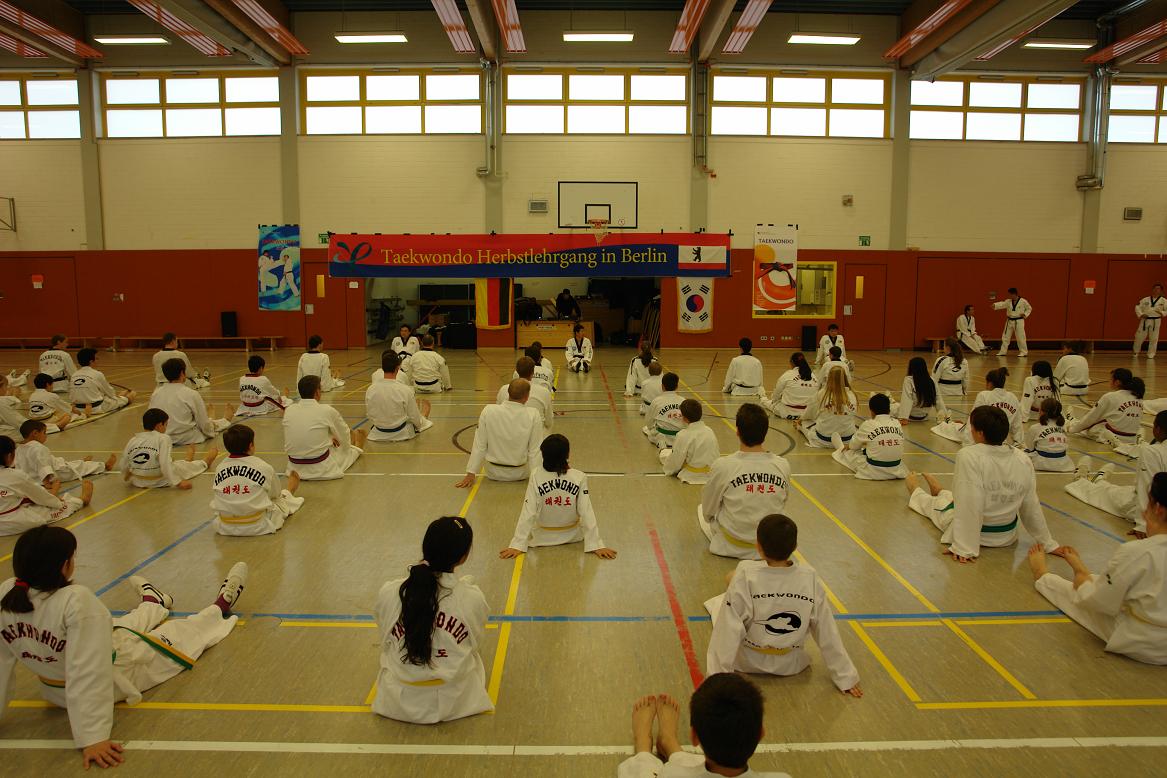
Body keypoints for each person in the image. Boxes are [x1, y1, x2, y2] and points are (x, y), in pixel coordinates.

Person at [0, 526, 247, 768]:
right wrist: (92, 737)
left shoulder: (7, 593)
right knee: (182, 633)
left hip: (54, 691)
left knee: (115, 627)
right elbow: (88, 671)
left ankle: (153, 602)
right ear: (65, 565)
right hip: (116, 679)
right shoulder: (75, 599)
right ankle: (220, 606)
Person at [705, 514, 862, 694]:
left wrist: (716, 683)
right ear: (794, 547)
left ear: (758, 547)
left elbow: (727, 632)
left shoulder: (746, 574)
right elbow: (826, 630)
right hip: (790, 664)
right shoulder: (809, 577)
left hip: (746, 662)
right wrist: (846, 677)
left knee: (726, 599)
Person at [1028, 471, 1167, 665]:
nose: (1144, 513)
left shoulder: (1137, 552)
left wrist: (1081, 580)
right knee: (1107, 582)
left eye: (1148, 505)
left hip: (1142, 642)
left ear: (1158, 509)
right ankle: (1084, 573)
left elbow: (1099, 603)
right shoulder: (1142, 553)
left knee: (1078, 594)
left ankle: (1043, 576)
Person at [373, 516, 492, 724]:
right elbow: (474, 643)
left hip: (397, 702)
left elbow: (385, 638)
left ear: (425, 547)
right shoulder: (472, 598)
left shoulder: (390, 592)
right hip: (458, 701)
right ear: (463, 557)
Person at [908, 406, 1064, 563]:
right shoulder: (1022, 458)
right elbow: (1031, 505)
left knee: (934, 506)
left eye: (972, 427)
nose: (970, 431)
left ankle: (915, 488)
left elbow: (970, 502)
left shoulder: (969, 455)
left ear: (980, 433)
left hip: (980, 535)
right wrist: (1048, 543)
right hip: (1006, 536)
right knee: (953, 497)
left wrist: (964, 547)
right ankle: (941, 491)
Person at [618, 675, 792, 778]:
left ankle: (644, 746)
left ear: (694, 737)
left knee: (644, 771)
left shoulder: (671, 773)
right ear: (761, 734)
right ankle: (670, 744)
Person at [499, 434, 615, 559]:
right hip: (573, 536)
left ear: (543, 455)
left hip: (541, 537)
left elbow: (528, 511)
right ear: (568, 455)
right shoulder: (579, 477)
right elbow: (586, 511)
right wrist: (596, 544)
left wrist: (517, 544)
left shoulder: (536, 475)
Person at [699, 404, 790, 559]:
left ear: (738, 431)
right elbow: (783, 501)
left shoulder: (723, 465)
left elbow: (708, 511)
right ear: (765, 432)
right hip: (771, 546)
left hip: (731, 546)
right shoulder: (782, 465)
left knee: (703, 509)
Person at [1066, 411, 1167, 538]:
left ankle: (1080, 479)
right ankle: (1099, 480)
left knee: (1104, 494)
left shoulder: (1152, 452)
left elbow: (1146, 485)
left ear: (1158, 429)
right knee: (1118, 491)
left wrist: (1143, 524)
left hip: (1156, 509)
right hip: (1158, 502)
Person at [211, 424, 303, 536]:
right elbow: (275, 494)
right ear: (251, 445)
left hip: (225, 526)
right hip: (258, 525)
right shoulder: (263, 467)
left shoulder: (220, 468)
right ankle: (289, 491)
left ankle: (287, 493)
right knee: (279, 501)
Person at [455, 379, 543, 486]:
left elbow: (479, 444)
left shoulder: (488, 411)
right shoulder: (533, 414)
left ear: (508, 393)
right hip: (521, 474)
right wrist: (537, 480)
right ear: (527, 396)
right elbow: (535, 450)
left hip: (492, 473)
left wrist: (471, 472)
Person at [0, 436, 90, 535]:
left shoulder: (13, 475)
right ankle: (81, 501)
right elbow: (39, 496)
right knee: (55, 508)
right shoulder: (15, 475)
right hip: (11, 523)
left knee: (16, 496)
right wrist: (57, 502)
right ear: (9, 456)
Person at [282, 375, 365, 481]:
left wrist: (329, 439)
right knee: (348, 450)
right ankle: (358, 447)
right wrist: (347, 449)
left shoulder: (289, 410)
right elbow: (344, 435)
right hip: (321, 468)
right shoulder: (326, 410)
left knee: (331, 439)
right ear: (317, 392)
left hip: (294, 468)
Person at [120, 408, 217, 490]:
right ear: (159, 426)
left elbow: (124, 462)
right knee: (181, 467)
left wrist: (126, 474)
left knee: (176, 464)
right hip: (160, 481)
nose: (166, 428)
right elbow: (165, 464)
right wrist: (178, 482)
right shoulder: (163, 438)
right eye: (166, 424)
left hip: (138, 481)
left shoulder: (133, 440)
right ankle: (205, 462)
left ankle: (187, 460)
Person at [149, 359, 233, 446]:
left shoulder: (156, 393)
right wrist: (212, 429)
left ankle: (212, 419)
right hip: (187, 437)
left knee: (207, 424)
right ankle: (225, 420)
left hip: (162, 436)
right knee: (211, 425)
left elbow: (151, 418)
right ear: (182, 373)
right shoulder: (191, 394)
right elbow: (203, 424)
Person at [932, 368, 1022, 446]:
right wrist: (1019, 443)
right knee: (958, 426)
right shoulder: (1013, 397)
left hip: (980, 437)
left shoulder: (984, 395)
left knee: (949, 429)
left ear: (990, 383)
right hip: (999, 439)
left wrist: (968, 443)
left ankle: (943, 423)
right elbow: (1017, 425)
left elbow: (973, 419)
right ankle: (950, 423)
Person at [832, 394, 908, 480]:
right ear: (889, 410)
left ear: (871, 411)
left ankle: (840, 449)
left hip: (874, 471)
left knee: (851, 453)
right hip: (896, 469)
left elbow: (854, 446)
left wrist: (848, 447)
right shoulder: (897, 423)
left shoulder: (868, 424)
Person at [1066, 368, 1144, 450]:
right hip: (1132, 438)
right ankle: (1073, 421)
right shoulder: (1138, 397)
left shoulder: (1110, 397)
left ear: (1117, 382)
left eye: (1111, 379)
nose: (1109, 381)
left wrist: (1072, 429)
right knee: (1105, 420)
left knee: (1091, 427)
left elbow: (1091, 418)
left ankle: (1071, 421)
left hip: (1114, 435)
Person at [16, 420, 114, 484]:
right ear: (35, 433)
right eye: (44, 433)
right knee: (79, 468)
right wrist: (47, 483)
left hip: (32, 478)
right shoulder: (39, 448)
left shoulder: (19, 448)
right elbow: (43, 466)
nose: (46, 436)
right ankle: (104, 466)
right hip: (56, 472)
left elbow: (18, 466)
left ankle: (83, 462)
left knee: (73, 464)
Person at [367, 351, 434, 442]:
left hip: (378, 432)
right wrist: (421, 422)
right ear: (398, 368)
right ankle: (423, 417)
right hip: (401, 433)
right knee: (417, 418)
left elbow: (370, 414)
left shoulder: (371, 389)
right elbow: (414, 417)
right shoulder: (405, 390)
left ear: (382, 367)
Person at [661, 400, 720, 485]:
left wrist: (668, 469)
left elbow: (676, 461)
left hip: (692, 475)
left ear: (684, 418)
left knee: (664, 455)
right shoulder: (709, 430)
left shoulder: (683, 435)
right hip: (712, 473)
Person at [797, 367, 857, 449]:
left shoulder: (822, 393)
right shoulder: (852, 395)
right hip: (847, 440)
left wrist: (801, 419)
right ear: (845, 378)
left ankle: (799, 427)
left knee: (806, 422)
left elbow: (810, 413)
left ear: (829, 379)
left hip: (823, 440)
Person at [69, 349, 134, 415]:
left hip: (78, 408)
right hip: (96, 408)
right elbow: (110, 393)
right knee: (129, 396)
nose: (98, 361)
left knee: (108, 396)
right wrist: (120, 397)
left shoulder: (74, 375)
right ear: (91, 361)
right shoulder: (97, 374)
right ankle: (128, 397)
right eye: (96, 359)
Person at [498, 357, 552, 429]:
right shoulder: (544, 392)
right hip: (535, 431)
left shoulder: (503, 389)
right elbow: (549, 422)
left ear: (517, 371)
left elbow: (499, 414)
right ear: (533, 372)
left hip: (509, 429)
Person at [763, 352, 818, 420]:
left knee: (766, 402)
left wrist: (774, 400)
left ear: (792, 362)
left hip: (788, 412)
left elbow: (776, 395)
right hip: (809, 413)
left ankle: (763, 399)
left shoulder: (788, 375)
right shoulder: (814, 376)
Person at [1024, 399, 1074, 473]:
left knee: (1020, 452)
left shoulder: (1035, 427)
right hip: (1063, 464)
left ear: (1042, 411)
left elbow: (1029, 448)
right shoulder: (1063, 426)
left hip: (1041, 463)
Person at [892, 356, 946, 424]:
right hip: (924, 417)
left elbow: (907, 399)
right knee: (896, 405)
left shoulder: (909, 380)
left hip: (910, 417)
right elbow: (938, 400)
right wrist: (945, 417)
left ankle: (891, 401)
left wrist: (904, 418)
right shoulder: (932, 380)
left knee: (891, 407)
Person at [643, 373, 685, 449]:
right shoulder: (683, 401)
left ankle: (661, 442)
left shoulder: (656, 401)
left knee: (646, 429)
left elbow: (649, 422)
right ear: (677, 386)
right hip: (680, 438)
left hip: (663, 436)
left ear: (662, 386)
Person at [993, 287, 1031, 356]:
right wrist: (995, 305)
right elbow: (1002, 304)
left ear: (1015, 294)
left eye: (1011, 294)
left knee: (1020, 337)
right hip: (1009, 321)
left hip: (1019, 321)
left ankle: (1024, 352)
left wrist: (1025, 314)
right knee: (1005, 337)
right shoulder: (1008, 301)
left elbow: (1029, 308)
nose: (1010, 296)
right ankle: (1003, 352)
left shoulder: (1023, 301)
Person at [1134, 283, 1166, 358]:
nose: (1156, 290)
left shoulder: (1164, 301)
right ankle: (1136, 352)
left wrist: (1161, 313)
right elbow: (1137, 307)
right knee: (1139, 337)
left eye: (1158, 289)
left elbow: (1166, 310)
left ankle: (1151, 354)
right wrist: (1141, 314)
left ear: (1161, 291)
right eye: (1155, 288)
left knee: (1154, 338)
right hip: (1145, 320)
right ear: (1152, 289)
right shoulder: (1145, 299)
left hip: (1156, 320)